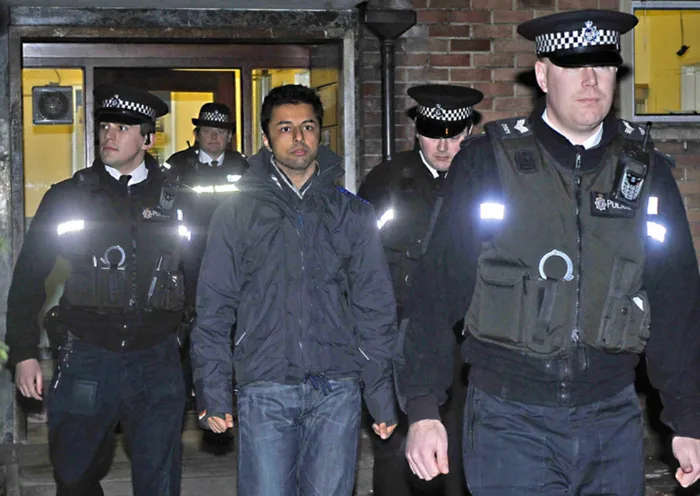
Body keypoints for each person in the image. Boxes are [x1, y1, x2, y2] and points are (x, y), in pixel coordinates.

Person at [399, 9, 700, 495]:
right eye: (574, 66)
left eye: (602, 66)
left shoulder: (646, 171)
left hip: (611, 418)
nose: (590, 80)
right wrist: (423, 408)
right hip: (509, 417)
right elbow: (436, 288)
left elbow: (676, 300)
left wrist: (689, 417)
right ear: (543, 75)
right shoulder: (487, 163)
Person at [190, 84, 399, 496]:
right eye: (285, 128)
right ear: (266, 139)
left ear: (321, 134)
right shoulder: (236, 214)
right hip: (265, 386)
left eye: (308, 126)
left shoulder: (353, 214)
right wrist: (213, 390)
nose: (298, 137)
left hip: (337, 387)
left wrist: (380, 393)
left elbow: (375, 308)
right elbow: (214, 307)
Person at [6, 85, 193, 495]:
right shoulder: (69, 196)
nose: (109, 135)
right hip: (88, 355)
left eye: (122, 128)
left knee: (159, 480)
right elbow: (29, 277)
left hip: (157, 359)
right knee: (74, 474)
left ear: (147, 138)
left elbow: (200, 279)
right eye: (106, 126)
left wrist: (198, 352)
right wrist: (23, 352)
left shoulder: (180, 199)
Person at [359, 84, 482, 496]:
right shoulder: (386, 181)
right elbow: (359, 265)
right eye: (433, 134)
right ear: (417, 131)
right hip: (402, 336)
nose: (443, 146)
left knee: (463, 452)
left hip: (468, 340)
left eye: (454, 135)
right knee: (397, 455)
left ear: (468, 131)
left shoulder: (486, 180)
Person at [165, 104, 249, 417]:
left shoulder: (244, 167)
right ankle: (186, 395)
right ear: (197, 134)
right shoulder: (177, 165)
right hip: (188, 264)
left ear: (229, 137)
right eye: (207, 131)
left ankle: (225, 396)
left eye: (220, 132)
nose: (213, 137)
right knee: (187, 331)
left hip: (232, 265)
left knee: (228, 330)